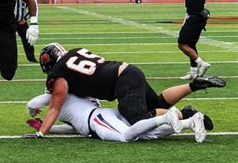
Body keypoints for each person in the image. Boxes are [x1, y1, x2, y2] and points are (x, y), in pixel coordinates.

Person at [22, 43, 226, 139]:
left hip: (121, 81)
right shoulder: (75, 53)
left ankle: (185, 114)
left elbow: (55, 106)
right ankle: (193, 85)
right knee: (158, 104)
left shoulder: (59, 74)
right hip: (127, 71)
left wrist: (41, 132)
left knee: (138, 120)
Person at [24, 93, 210, 143]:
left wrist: (31, 111)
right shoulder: (74, 90)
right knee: (146, 134)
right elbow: (75, 129)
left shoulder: (59, 92)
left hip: (96, 119)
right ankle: (189, 121)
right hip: (105, 114)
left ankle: (166, 118)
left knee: (126, 136)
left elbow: (33, 103)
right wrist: (48, 128)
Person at [0, 0, 37, 64]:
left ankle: (31, 58)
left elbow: (32, 7)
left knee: (28, 39)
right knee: (1, 39)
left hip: (21, 22)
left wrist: (25, 18)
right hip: (8, 22)